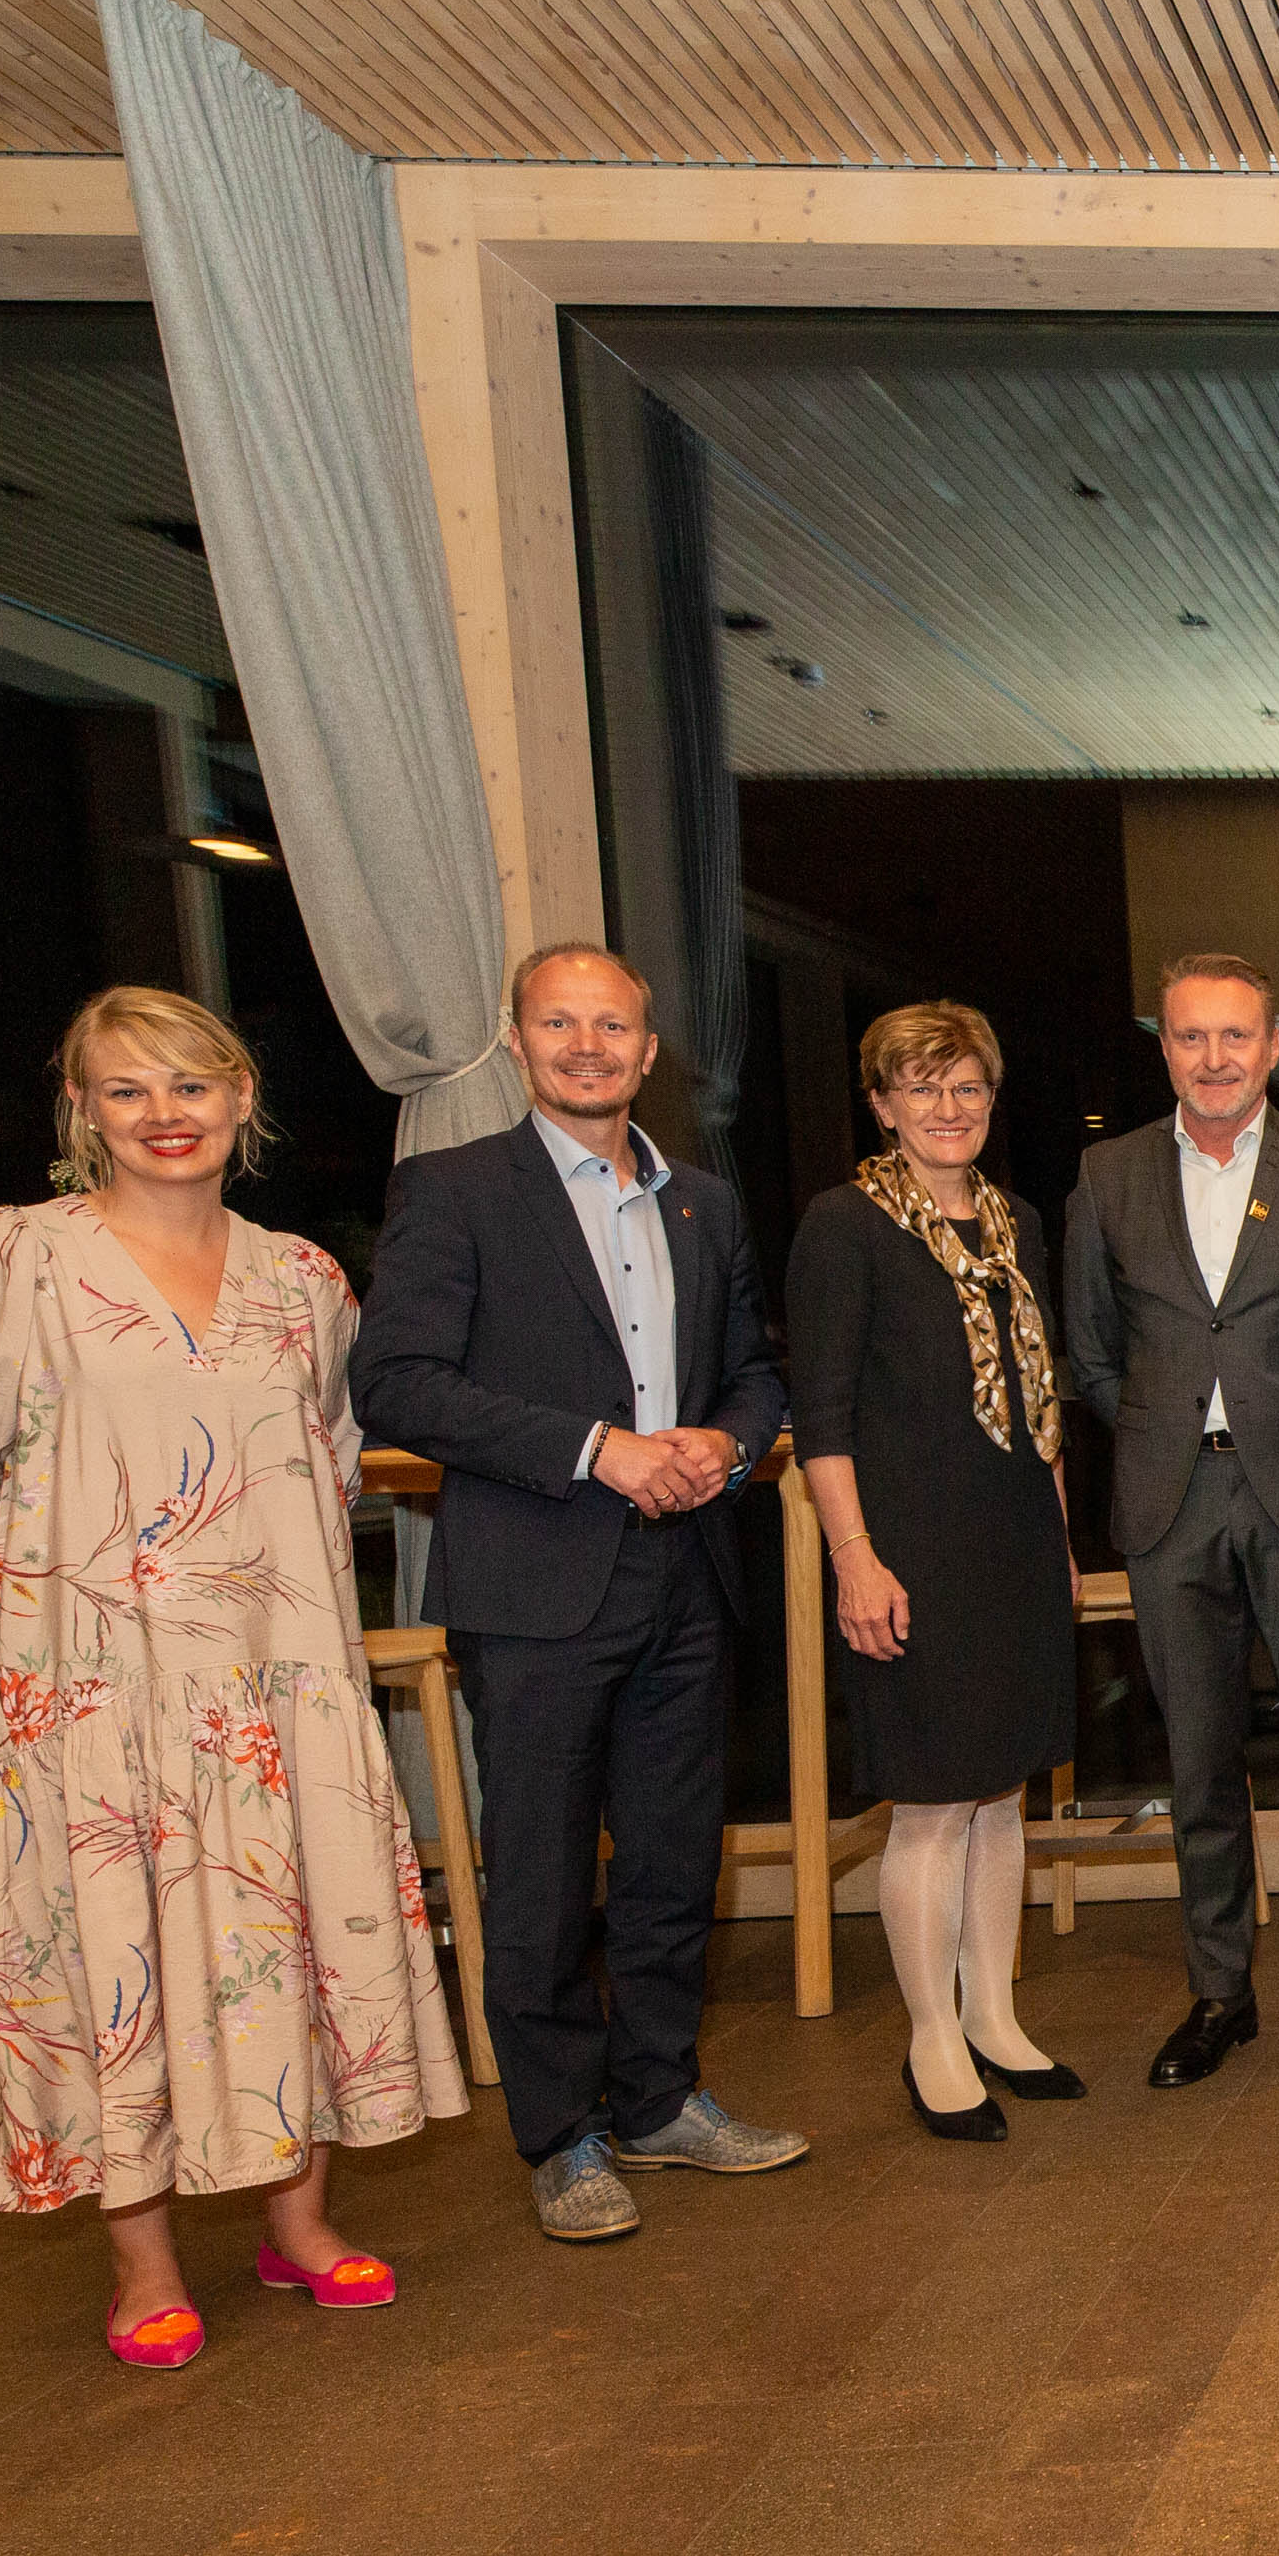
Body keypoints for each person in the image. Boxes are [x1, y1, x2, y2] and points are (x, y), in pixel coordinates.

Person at [0, 988, 466, 2363]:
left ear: (241, 1101)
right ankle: (141, 2258)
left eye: (191, 1086)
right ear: (82, 1112)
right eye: (128, 1090)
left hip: (278, 1678)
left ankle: (300, 2224)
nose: (164, 1114)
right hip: (93, 1681)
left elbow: (326, 1461)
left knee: (290, 1924)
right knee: (116, 1943)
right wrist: (20, 1604)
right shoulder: (11, 1258)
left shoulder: (307, 1280)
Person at [352, 946, 803, 2243]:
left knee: (672, 1859)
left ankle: (660, 2100)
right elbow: (400, 1383)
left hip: (687, 1573)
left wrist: (725, 1443)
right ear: (519, 1040)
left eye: (614, 1024)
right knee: (543, 1872)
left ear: (649, 1050)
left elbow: (754, 1371)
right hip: (538, 1579)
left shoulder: (702, 1204)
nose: (590, 1044)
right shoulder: (452, 1190)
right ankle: (560, 2135)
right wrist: (597, 1450)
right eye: (563, 1022)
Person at [1063, 951, 1279, 2089]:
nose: (1213, 1058)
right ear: (1164, 1049)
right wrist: (1165, 1427)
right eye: (1191, 1037)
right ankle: (1221, 1992)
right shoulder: (1106, 1176)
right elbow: (1091, 1351)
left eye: (1234, 1036)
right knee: (1196, 1761)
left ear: (1273, 1045)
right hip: (1168, 1499)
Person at [788, 1000, 1085, 2142]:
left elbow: (1041, 1400)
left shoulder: (1010, 1222)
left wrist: (1057, 1542)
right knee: (928, 1801)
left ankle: (995, 2015)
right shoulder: (845, 1225)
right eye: (921, 1088)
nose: (947, 1108)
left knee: (999, 1786)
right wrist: (855, 1560)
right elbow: (821, 1418)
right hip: (908, 1548)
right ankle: (930, 2039)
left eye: (965, 1087)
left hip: (1011, 1535)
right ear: (881, 1104)